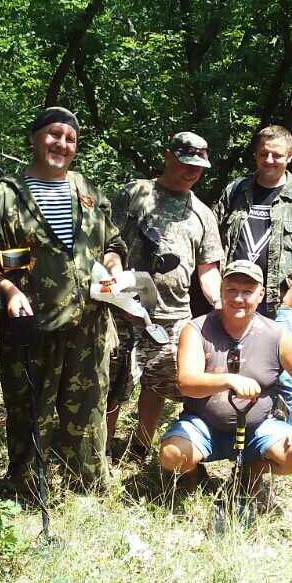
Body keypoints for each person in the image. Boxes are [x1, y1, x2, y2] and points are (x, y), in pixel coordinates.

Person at [0, 106, 126, 496]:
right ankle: (27, 487)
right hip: (30, 324)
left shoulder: (87, 192)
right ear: (34, 139)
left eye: (70, 139)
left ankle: (85, 485)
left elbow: (113, 242)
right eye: (54, 135)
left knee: (88, 407)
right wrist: (9, 290)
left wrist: (115, 262)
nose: (62, 144)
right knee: (29, 409)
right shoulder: (5, 197)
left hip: (89, 325)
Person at [159, 260, 292, 498]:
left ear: (261, 294)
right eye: (232, 290)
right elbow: (186, 382)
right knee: (171, 455)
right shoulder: (195, 329)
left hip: (259, 428)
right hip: (203, 424)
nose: (238, 298)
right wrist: (227, 381)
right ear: (221, 291)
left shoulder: (277, 335)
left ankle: (250, 470)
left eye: (247, 292)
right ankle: (192, 475)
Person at [107, 132, 223, 457]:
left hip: (172, 318)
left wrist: (219, 304)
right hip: (122, 311)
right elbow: (106, 242)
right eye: (186, 164)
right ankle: (102, 450)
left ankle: (140, 447)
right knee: (114, 385)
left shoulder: (202, 213)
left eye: (199, 167)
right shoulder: (133, 194)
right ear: (169, 157)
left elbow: (209, 269)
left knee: (158, 385)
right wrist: (112, 270)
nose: (192, 172)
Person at [214, 124, 292, 425]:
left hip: (278, 303)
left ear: (289, 156)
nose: (269, 160)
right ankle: (237, 433)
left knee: (289, 377)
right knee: (231, 368)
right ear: (255, 154)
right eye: (263, 153)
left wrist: (291, 299)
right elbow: (213, 241)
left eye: (277, 155)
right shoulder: (236, 190)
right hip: (235, 299)